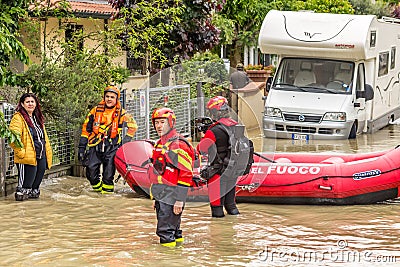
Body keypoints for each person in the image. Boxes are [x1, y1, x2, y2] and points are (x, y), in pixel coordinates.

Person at [78, 85, 137, 194]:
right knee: (90, 173)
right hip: (95, 146)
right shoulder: (95, 111)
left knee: (108, 175)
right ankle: (98, 192)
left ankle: (107, 197)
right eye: (107, 96)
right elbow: (86, 129)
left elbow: (133, 126)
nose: (109, 99)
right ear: (104, 97)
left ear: (116, 99)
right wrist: (81, 148)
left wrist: (124, 143)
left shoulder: (122, 113)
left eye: (112, 97)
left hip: (112, 148)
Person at [149, 107, 195, 247]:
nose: (159, 126)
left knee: (165, 231)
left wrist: (180, 200)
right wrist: (155, 197)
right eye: (156, 122)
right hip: (162, 193)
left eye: (162, 122)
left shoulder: (178, 145)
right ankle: (177, 253)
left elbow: (186, 174)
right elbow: (157, 172)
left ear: (171, 122)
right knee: (174, 230)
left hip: (173, 194)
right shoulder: (159, 143)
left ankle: (167, 259)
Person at [197, 96, 240, 218]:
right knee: (231, 206)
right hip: (232, 171)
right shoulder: (236, 126)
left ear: (215, 112)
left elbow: (201, 149)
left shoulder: (214, 130)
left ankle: (218, 236)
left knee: (217, 210)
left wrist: (203, 136)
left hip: (217, 173)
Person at [9, 93, 53, 201]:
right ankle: (21, 213)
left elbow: (43, 137)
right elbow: (13, 137)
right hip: (26, 157)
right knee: (25, 186)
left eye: (32, 102)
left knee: (35, 185)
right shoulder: (18, 118)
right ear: (22, 104)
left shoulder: (37, 118)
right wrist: (21, 153)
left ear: (36, 104)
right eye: (27, 102)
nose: (30, 104)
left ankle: (34, 213)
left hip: (40, 154)